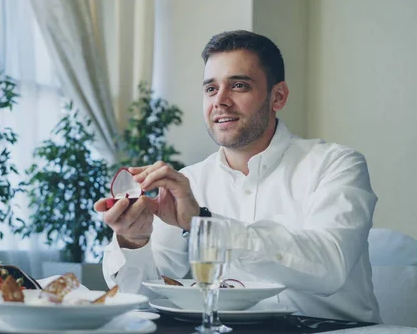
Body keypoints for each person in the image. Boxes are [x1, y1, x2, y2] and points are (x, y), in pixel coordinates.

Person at [95, 30, 381, 323]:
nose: (220, 101)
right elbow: (146, 297)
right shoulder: (188, 182)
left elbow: (329, 267)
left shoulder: (336, 164)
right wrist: (134, 240)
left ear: (278, 96)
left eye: (239, 86)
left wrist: (203, 224)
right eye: (210, 89)